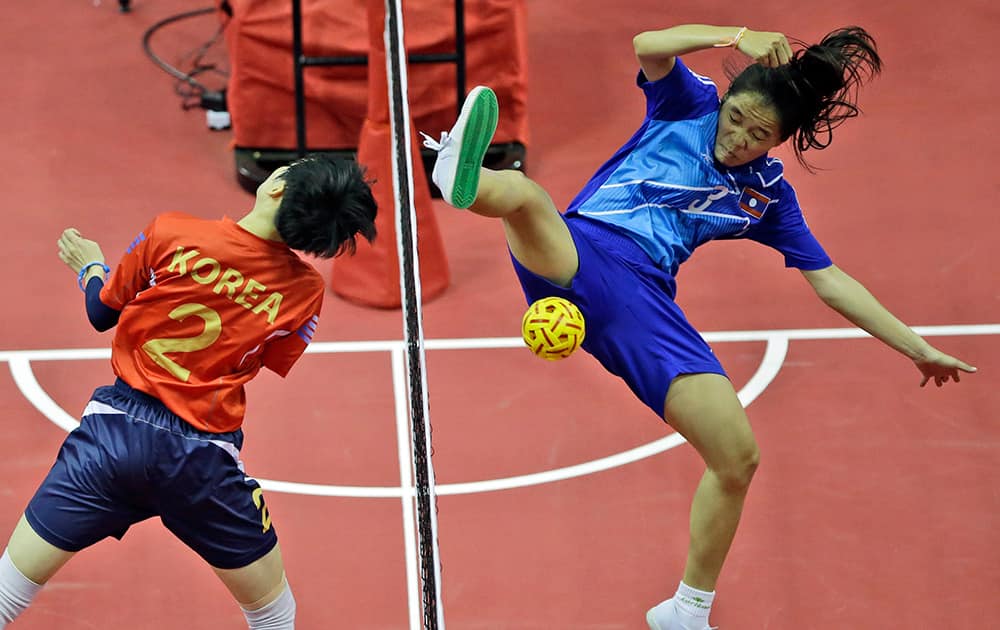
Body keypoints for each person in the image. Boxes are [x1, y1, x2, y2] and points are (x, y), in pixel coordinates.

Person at [421, 24, 977, 630]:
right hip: (583, 247)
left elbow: (830, 281)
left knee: (736, 456)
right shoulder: (688, 104)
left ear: (781, 141)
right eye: (736, 117)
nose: (736, 137)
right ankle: (459, 178)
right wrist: (734, 33)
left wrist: (917, 348)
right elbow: (645, 45)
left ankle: (687, 610)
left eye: (758, 134)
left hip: (643, 306)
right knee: (527, 196)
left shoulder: (767, 200)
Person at [0, 154, 377, 629]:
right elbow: (262, 360)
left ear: (277, 188)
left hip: (111, 439)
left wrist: (90, 268)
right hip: (200, 463)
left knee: (7, 591)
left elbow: (101, 313)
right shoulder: (305, 292)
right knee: (273, 615)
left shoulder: (171, 233)